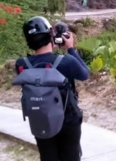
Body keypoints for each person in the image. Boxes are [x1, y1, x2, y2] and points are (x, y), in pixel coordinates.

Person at [16, 17, 89, 161]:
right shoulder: (66, 61)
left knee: (48, 157)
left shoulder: (21, 64)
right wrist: (70, 48)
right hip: (67, 120)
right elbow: (85, 74)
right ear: (50, 35)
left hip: (40, 119)